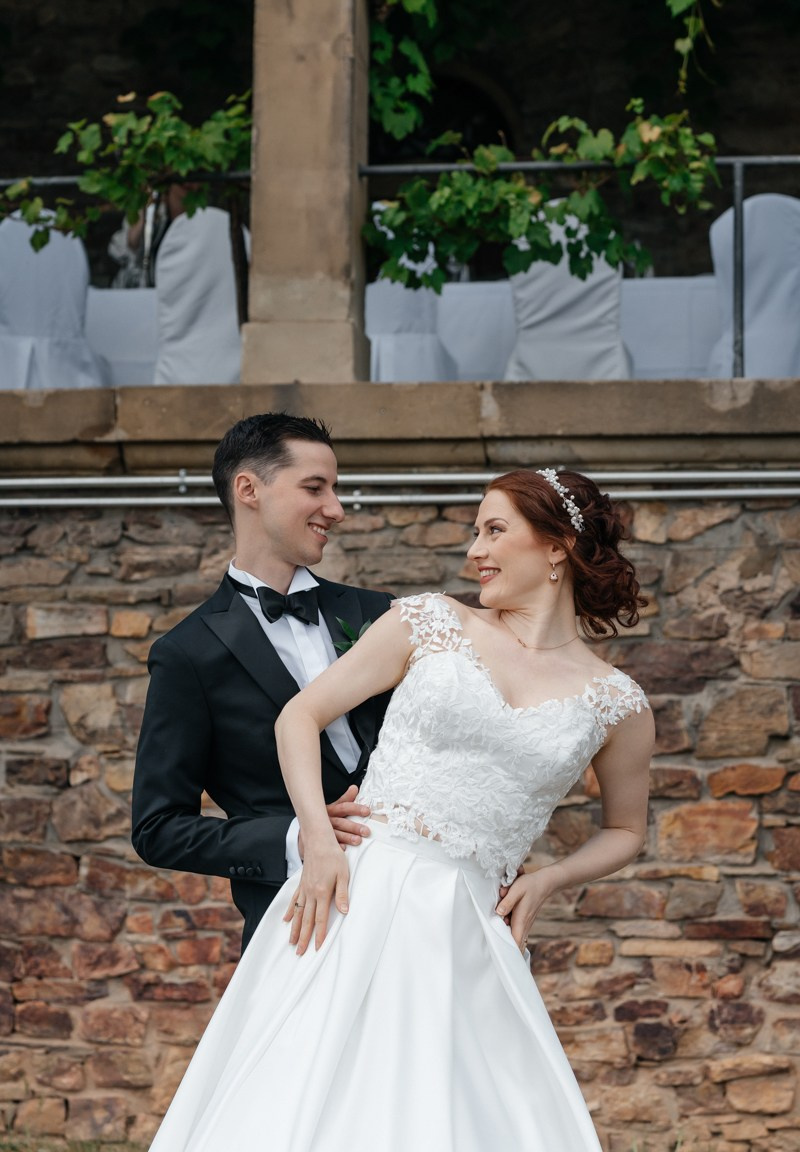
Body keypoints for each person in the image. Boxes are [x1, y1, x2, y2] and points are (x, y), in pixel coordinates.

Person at [148, 467, 655, 1151]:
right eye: (475, 532)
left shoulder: (617, 702)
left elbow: (626, 830)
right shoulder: (431, 621)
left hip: (472, 925)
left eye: (494, 530)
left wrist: (548, 878)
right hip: (357, 894)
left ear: (557, 545)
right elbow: (299, 717)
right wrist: (319, 843)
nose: (474, 550)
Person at [131, 413, 393, 950]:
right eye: (314, 488)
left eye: (335, 489)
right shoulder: (187, 654)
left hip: (414, 906)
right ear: (248, 489)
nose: (336, 509)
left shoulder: (382, 615)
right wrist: (300, 836)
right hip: (295, 929)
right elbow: (157, 828)